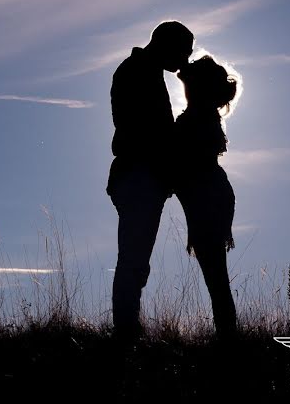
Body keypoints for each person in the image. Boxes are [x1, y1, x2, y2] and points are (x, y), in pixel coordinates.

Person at [106, 20, 194, 340]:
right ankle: (126, 331)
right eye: (183, 53)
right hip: (138, 174)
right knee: (134, 259)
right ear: (165, 45)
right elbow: (146, 131)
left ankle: (127, 328)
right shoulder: (138, 71)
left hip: (140, 175)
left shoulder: (143, 70)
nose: (185, 61)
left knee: (135, 258)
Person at [173, 54, 240, 339]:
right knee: (216, 277)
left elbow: (183, 163)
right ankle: (227, 338)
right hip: (212, 195)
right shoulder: (204, 114)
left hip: (207, 199)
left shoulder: (196, 117)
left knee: (216, 278)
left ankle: (228, 340)